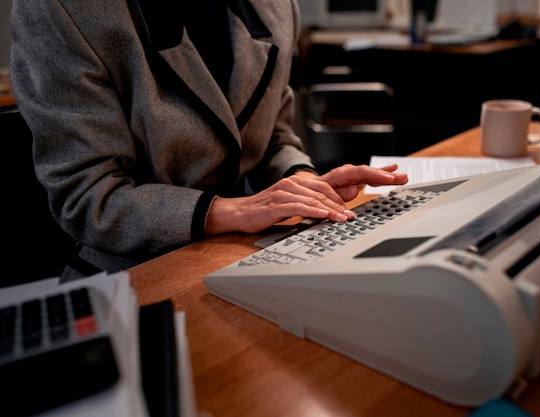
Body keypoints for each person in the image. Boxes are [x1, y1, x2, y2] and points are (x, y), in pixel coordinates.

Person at [10, 0, 408, 279]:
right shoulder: (59, 9)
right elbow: (88, 197)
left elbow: (275, 134)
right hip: (134, 274)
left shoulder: (277, 7)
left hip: (250, 251)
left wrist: (303, 179)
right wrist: (232, 211)